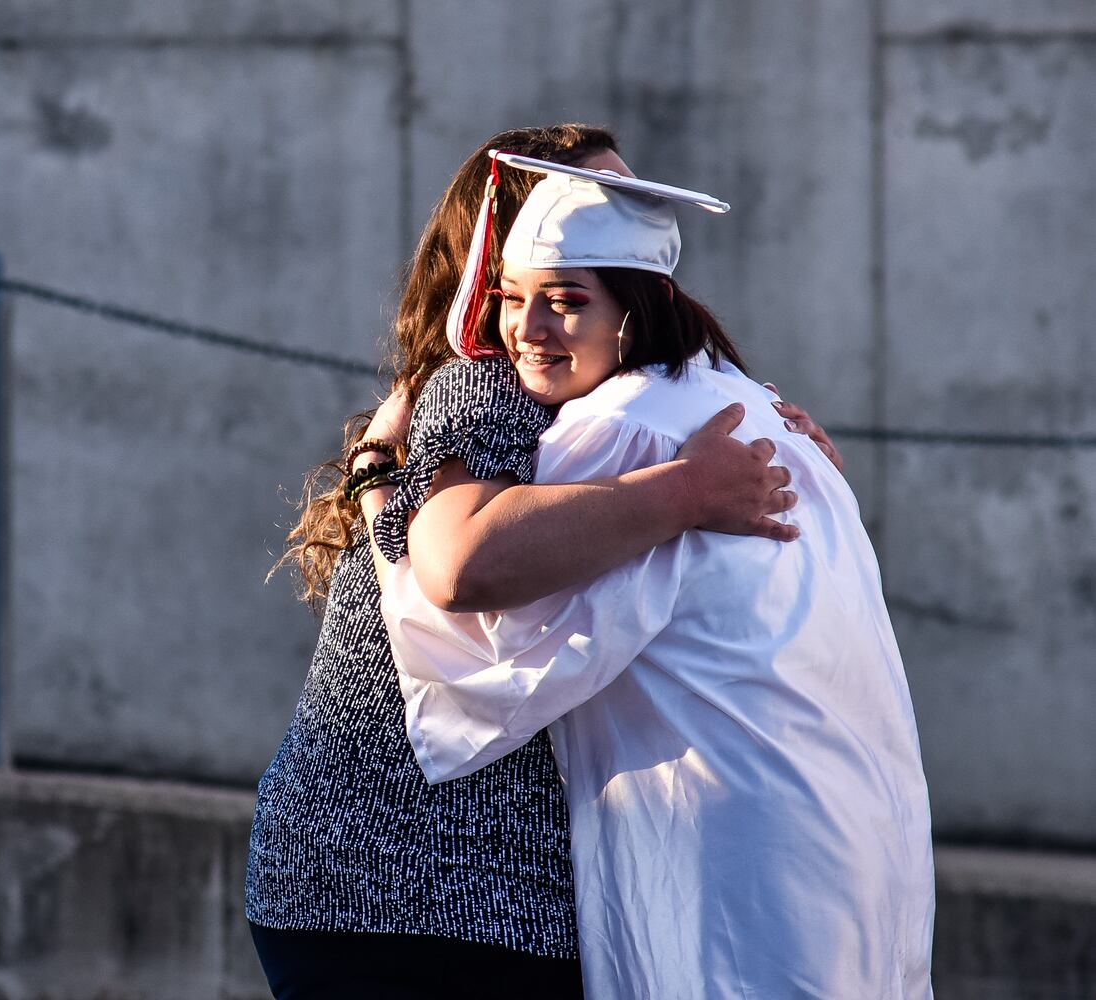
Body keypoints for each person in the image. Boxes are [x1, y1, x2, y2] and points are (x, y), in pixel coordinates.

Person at [245, 124, 836, 1000]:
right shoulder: (485, 382)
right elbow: (460, 563)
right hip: (410, 889)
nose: (630, 215)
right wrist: (685, 491)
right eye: (601, 201)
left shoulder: (603, 391)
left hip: (458, 896)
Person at [378, 156, 934, 997]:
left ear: (631, 316)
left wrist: (381, 485)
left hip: (730, 839)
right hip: (848, 825)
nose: (527, 329)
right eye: (512, 297)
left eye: (566, 302)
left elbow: (482, 654)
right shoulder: (749, 406)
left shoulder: (624, 431)